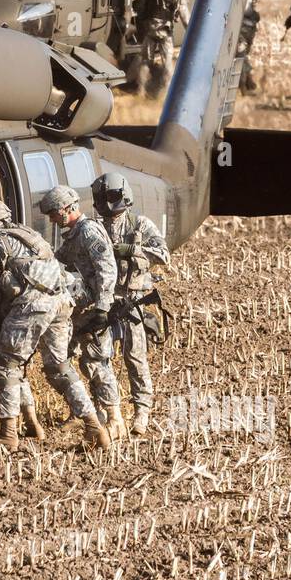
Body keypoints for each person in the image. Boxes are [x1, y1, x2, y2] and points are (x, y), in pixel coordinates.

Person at [0, 198, 110, 450]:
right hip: (62, 302)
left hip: (34, 306)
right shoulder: (25, 233)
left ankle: (8, 433)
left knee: (5, 363)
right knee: (59, 367)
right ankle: (95, 428)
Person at [42, 185, 128, 442]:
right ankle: (87, 414)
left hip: (93, 309)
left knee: (95, 361)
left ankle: (115, 419)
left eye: (54, 214)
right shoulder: (74, 234)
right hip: (81, 309)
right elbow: (59, 260)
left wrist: (103, 307)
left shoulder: (89, 231)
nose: (51, 220)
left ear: (67, 209)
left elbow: (107, 269)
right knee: (69, 360)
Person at [91, 172, 169, 435]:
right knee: (99, 356)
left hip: (132, 301)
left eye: (111, 197)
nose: (108, 204)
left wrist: (131, 250)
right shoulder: (95, 227)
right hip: (105, 300)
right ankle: (103, 409)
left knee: (135, 356)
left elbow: (163, 255)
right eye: (103, 198)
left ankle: (142, 410)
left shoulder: (140, 225)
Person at [130, 0, 190, 99]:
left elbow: (140, 8)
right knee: (167, 60)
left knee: (146, 61)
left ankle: (140, 90)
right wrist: (191, 31)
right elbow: (185, 16)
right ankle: (167, 93)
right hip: (165, 31)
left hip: (150, 29)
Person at [237, 0, 261, 94]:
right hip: (241, 35)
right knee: (241, 58)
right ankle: (244, 87)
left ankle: (248, 83)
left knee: (242, 57)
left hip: (245, 35)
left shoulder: (253, 15)